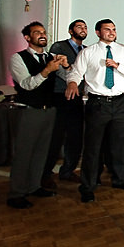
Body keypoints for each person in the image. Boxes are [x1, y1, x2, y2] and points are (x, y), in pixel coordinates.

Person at [65, 19, 124, 203]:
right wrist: (73, 83)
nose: (112, 32)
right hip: (98, 104)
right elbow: (75, 72)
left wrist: (117, 66)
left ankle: (119, 179)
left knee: (118, 145)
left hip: (121, 103)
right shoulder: (88, 52)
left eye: (114, 29)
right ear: (98, 32)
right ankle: (88, 186)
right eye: (107, 29)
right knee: (93, 147)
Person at [7, 22, 68, 209]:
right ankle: (16, 193)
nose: (42, 35)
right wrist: (47, 70)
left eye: (43, 32)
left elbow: (68, 80)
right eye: (36, 33)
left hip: (49, 111)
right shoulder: (17, 58)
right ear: (27, 38)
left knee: (42, 152)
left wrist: (65, 67)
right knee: (24, 154)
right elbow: (26, 84)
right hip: (29, 111)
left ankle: (34, 186)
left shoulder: (50, 57)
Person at [46, 19, 87, 185]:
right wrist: (72, 77)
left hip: (77, 98)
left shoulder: (86, 50)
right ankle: (45, 173)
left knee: (75, 136)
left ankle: (68, 170)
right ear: (71, 31)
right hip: (60, 96)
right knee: (56, 137)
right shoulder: (59, 47)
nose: (83, 29)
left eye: (85, 27)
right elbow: (57, 70)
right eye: (79, 27)